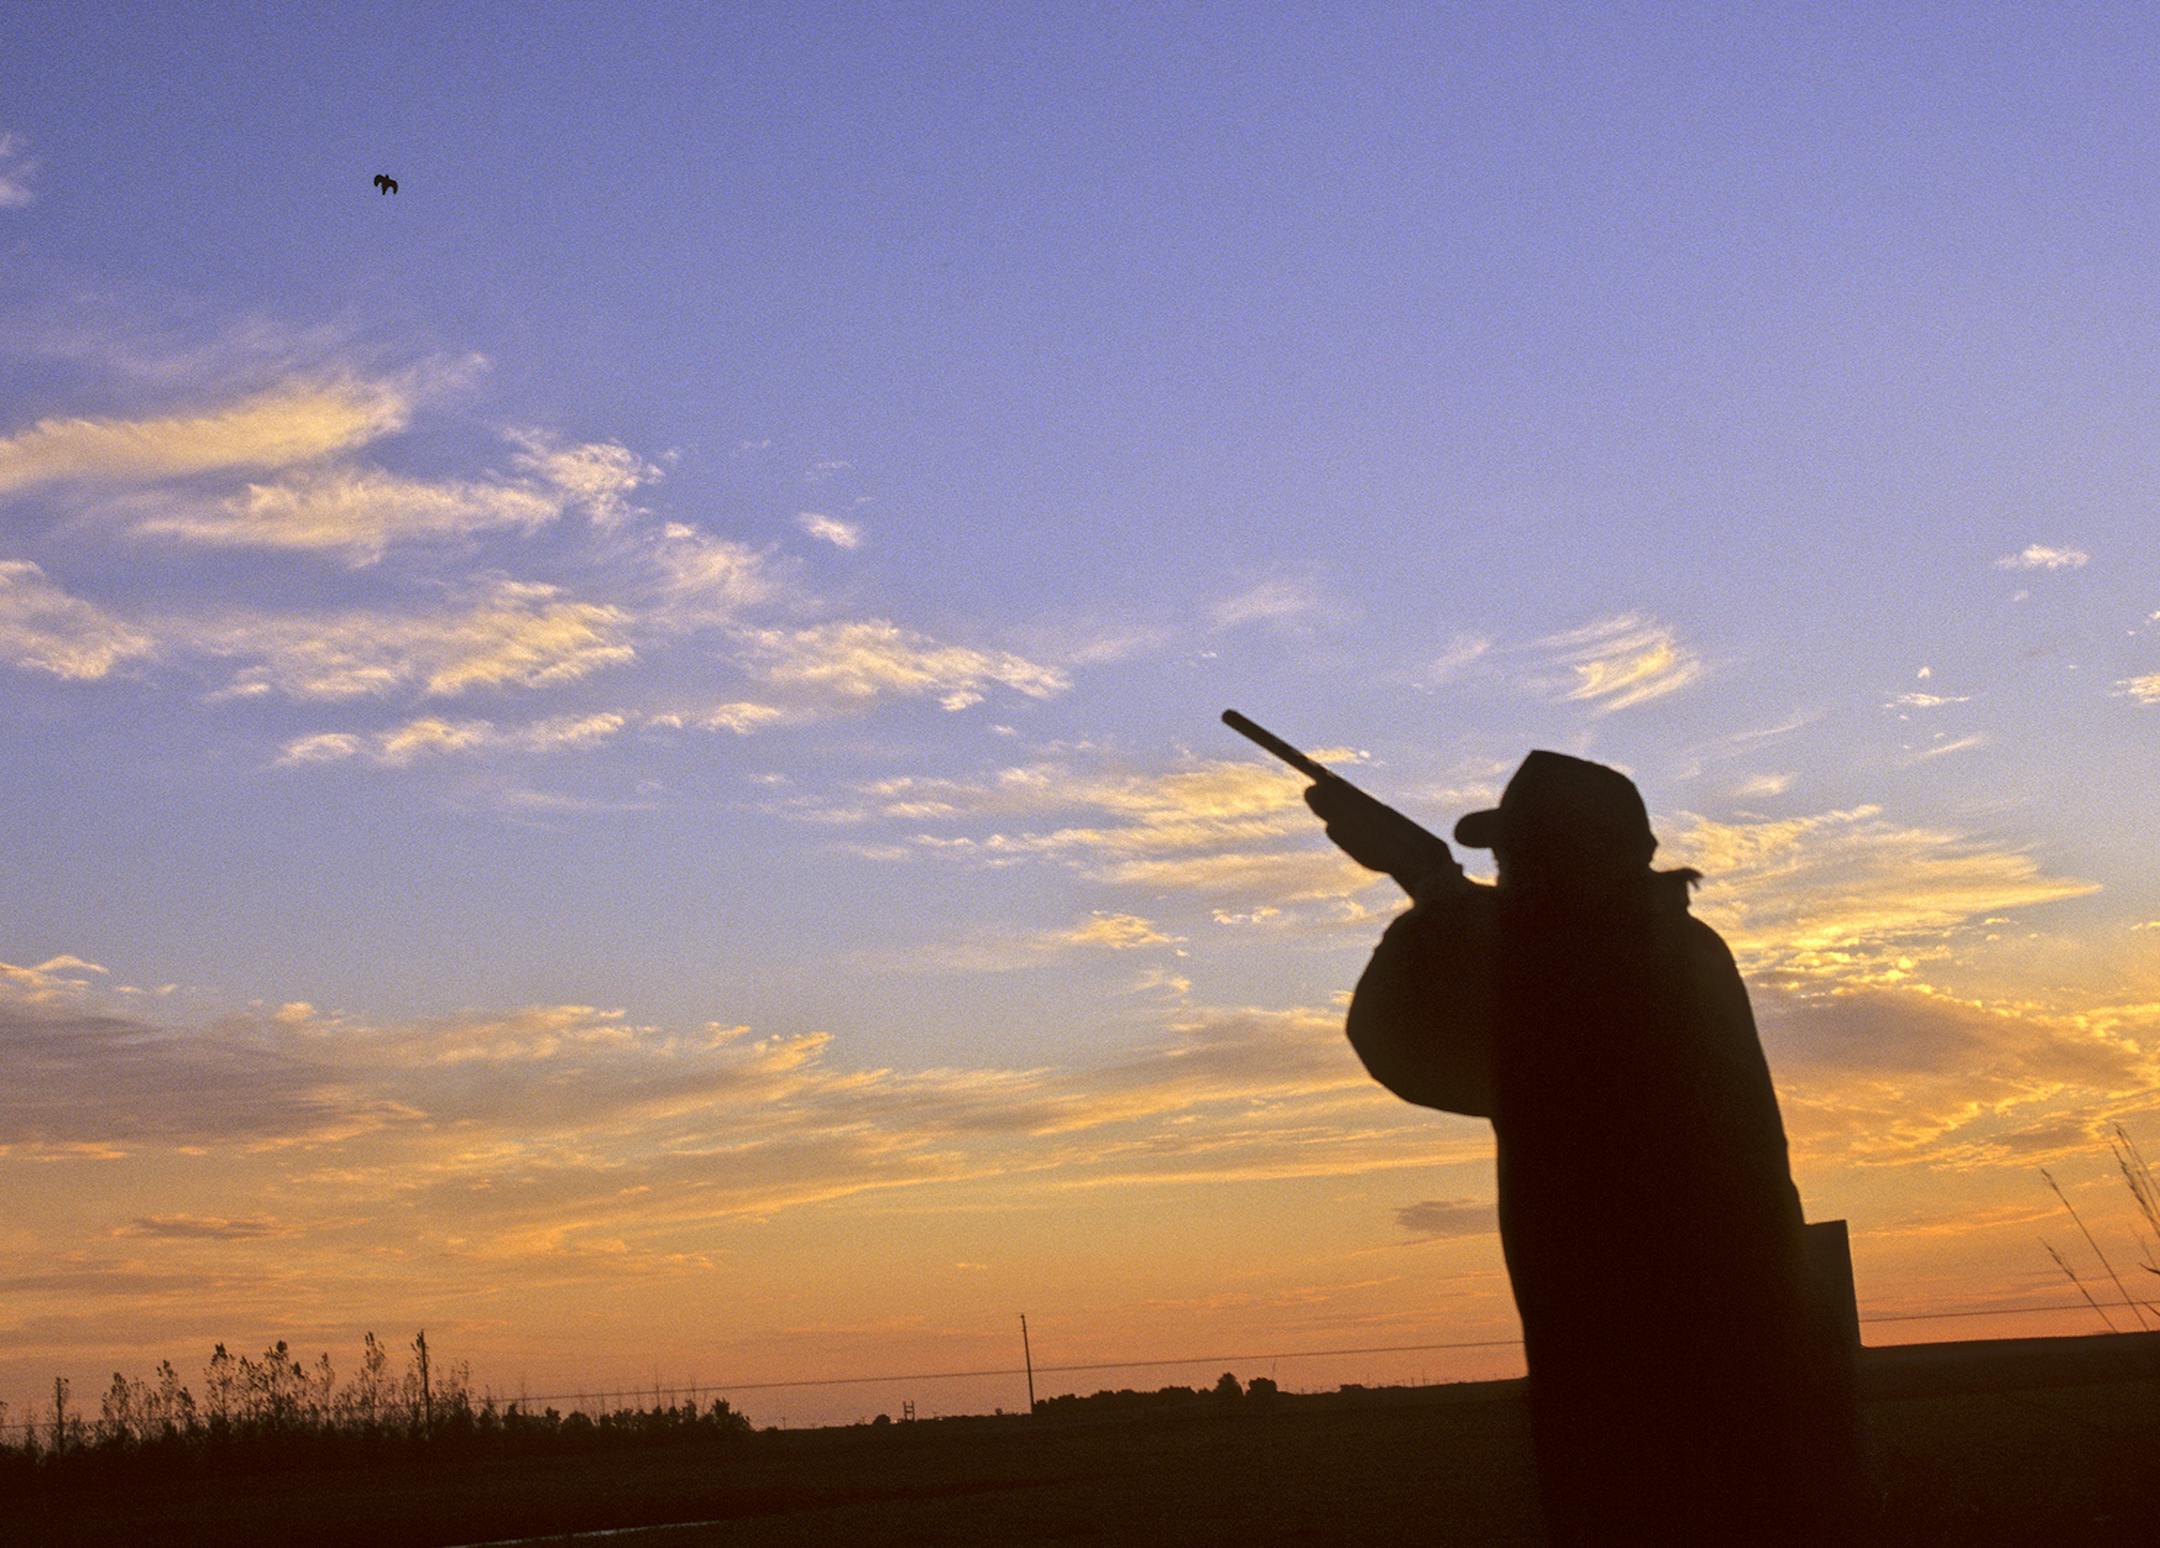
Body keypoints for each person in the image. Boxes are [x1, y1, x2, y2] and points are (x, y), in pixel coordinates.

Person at [1307, 750, 1868, 1545]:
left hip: (1660, 1378)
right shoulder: (1667, 948)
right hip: (1721, 1361)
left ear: (1582, 863)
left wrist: (1431, 885)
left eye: (1522, 859)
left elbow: (1418, 1039)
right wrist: (1434, 886)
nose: (1510, 877)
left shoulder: (1619, 962)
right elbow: (1532, 968)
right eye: (1506, 861)